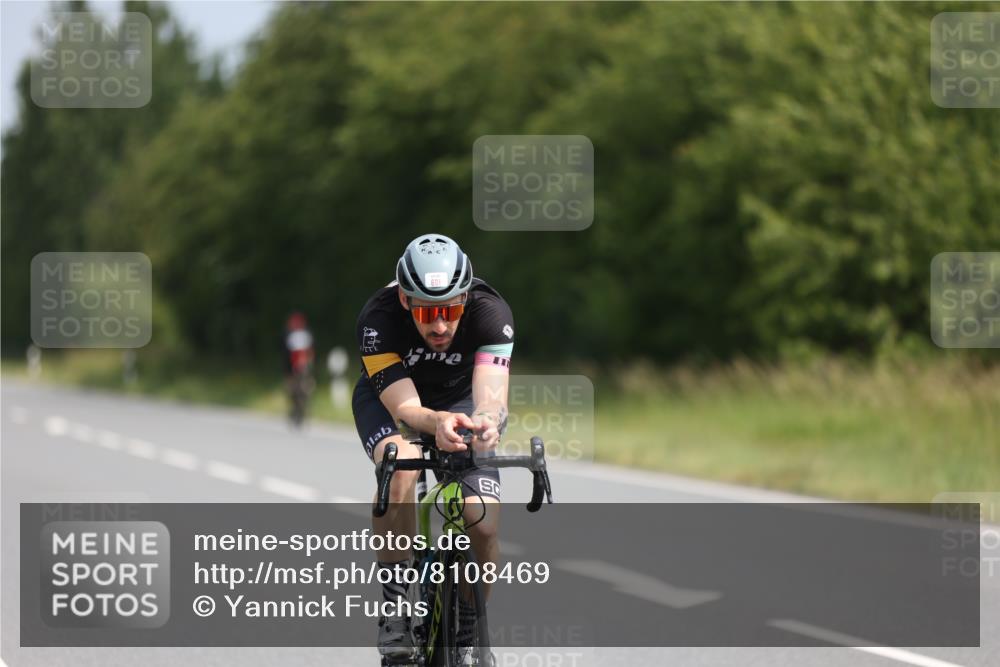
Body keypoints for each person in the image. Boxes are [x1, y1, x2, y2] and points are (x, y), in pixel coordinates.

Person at [353, 234, 513, 666]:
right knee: (400, 464)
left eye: (449, 311)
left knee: (483, 521)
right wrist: (436, 422)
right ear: (405, 301)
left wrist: (486, 420)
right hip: (393, 401)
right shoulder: (379, 319)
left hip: (460, 399)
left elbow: (492, 398)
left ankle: (466, 627)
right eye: (426, 312)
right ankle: (394, 614)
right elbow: (406, 410)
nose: (440, 326)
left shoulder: (490, 312)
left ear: (465, 298)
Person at [284, 311, 315, 427]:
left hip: (304, 369)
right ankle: (295, 413)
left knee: (304, 391)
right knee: (293, 392)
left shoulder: (305, 335)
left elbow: (310, 353)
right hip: (293, 369)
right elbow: (286, 355)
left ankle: (302, 414)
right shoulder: (289, 336)